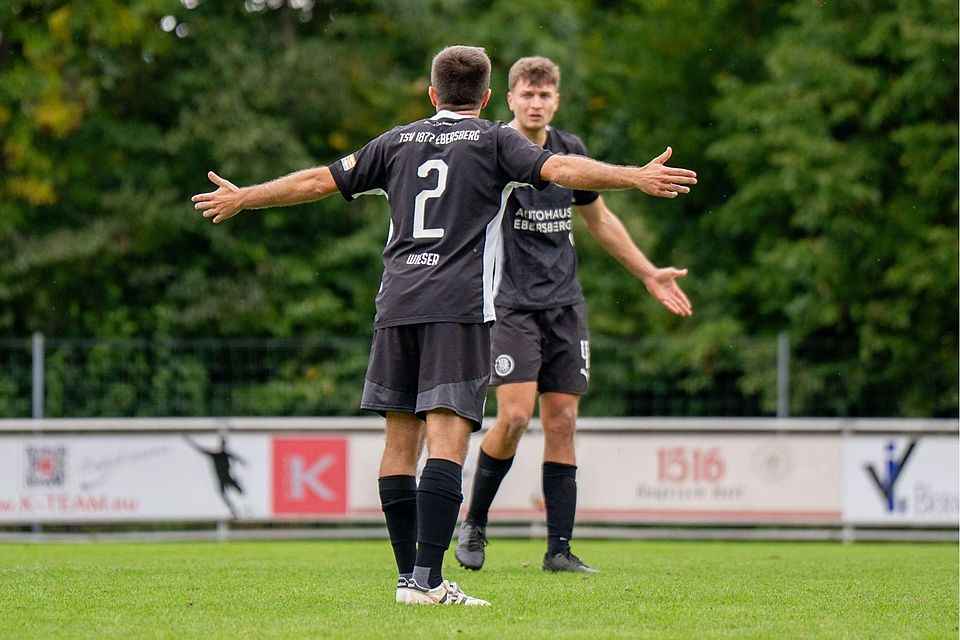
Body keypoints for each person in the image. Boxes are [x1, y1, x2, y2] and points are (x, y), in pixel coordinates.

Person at [191, 45, 697, 606]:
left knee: (399, 442)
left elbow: (316, 182)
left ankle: (411, 578)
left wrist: (245, 197)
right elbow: (562, 170)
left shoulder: (397, 140)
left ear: (431, 94)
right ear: (486, 99)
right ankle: (428, 581)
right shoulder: (494, 139)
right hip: (458, 309)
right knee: (448, 439)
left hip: (396, 306)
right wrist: (635, 176)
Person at [455, 57, 693, 575]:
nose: (536, 103)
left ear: (556, 101)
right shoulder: (495, 150)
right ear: (509, 98)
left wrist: (649, 273)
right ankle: (473, 521)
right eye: (526, 94)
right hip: (511, 304)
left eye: (545, 95)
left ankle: (558, 549)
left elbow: (600, 220)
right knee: (515, 417)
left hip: (565, 306)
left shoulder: (572, 151)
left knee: (561, 422)